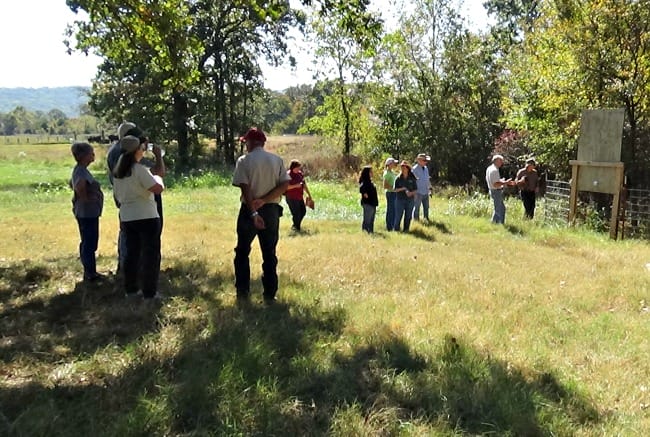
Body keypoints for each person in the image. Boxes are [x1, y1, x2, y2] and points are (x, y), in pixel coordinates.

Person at [232, 127, 291, 304]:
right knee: (269, 252)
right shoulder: (277, 160)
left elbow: (245, 187)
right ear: (263, 143)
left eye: (246, 143)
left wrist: (254, 210)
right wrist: (264, 201)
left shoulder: (244, 161)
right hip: (271, 210)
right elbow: (284, 186)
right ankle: (270, 293)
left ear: (250, 142)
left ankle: (243, 291)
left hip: (248, 210)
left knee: (242, 251)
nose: (246, 146)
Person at [107, 121, 165, 273]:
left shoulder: (118, 153)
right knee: (143, 242)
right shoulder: (129, 157)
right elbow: (158, 174)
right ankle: (142, 273)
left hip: (127, 203)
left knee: (129, 237)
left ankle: (128, 272)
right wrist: (159, 156)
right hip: (142, 204)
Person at [70, 142, 105, 282]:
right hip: (86, 213)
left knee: (89, 241)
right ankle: (90, 273)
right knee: (89, 242)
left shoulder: (81, 169)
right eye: (91, 153)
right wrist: (87, 198)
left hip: (88, 212)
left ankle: (90, 270)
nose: (93, 155)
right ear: (84, 156)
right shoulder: (81, 171)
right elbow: (79, 186)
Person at [485, 154, 515, 224]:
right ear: (496, 161)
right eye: (500, 161)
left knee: (501, 208)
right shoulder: (494, 170)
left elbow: (494, 181)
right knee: (498, 210)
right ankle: (495, 223)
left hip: (493, 190)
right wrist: (506, 182)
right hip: (496, 191)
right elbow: (495, 184)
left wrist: (502, 181)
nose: (502, 162)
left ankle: (498, 223)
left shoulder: (490, 168)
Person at [285, 159, 313, 231]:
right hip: (291, 197)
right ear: (292, 167)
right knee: (296, 213)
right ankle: (297, 228)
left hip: (299, 197)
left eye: (299, 168)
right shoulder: (288, 175)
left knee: (303, 212)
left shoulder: (300, 174)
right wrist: (295, 186)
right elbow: (285, 187)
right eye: (297, 168)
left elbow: (304, 185)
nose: (298, 169)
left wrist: (309, 195)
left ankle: (295, 226)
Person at [393, 160, 418, 232]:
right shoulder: (398, 178)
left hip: (410, 200)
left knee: (408, 216)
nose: (403, 168)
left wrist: (411, 193)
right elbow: (395, 190)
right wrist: (403, 188)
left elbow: (416, 190)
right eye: (402, 167)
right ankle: (396, 230)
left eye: (404, 167)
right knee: (398, 216)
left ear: (408, 168)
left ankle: (406, 230)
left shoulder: (412, 178)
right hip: (400, 200)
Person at [359, 166, 379, 233]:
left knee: (371, 220)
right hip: (368, 203)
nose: (372, 173)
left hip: (373, 204)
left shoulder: (370, 182)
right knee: (367, 219)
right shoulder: (364, 182)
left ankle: (370, 232)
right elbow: (364, 193)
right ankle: (365, 232)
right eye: (371, 172)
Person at [412, 153, 431, 221]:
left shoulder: (426, 168)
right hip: (418, 192)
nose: (426, 162)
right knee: (416, 207)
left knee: (426, 207)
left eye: (426, 160)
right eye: (424, 160)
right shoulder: (414, 169)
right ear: (419, 160)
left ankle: (426, 219)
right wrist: (414, 192)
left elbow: (427, 179)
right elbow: (412, 182)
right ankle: (416, 220)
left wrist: (429, 189)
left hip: (425, 191)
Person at [382, 157, 398, 231]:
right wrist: (393, 188)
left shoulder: (391, 172)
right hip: (390, 193)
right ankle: (389, 226)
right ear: (389, 164)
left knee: (394, 210)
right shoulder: (387, 173)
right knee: (391, 210)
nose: (395, 164)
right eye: (393, 163)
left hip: (394, 193)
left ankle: (393, 225)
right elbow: (385, 185)